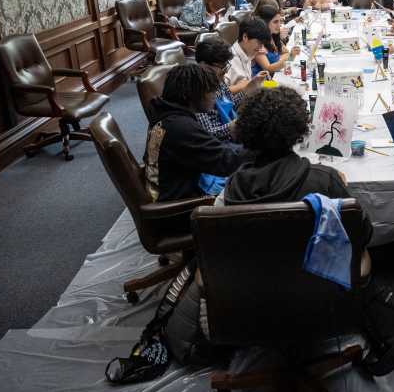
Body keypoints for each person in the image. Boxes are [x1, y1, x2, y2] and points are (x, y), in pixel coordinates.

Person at [216, 86, 373, 244]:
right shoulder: (325, 179)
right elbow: (361, 232)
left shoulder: (231, 189)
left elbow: (219, 241)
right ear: (300, 128)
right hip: (313, 259)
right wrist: (334, 182)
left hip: (252, 259)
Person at [144, 64, 249, 202]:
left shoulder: (166, 115)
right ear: (190, 95)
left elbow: (215, 150)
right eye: (211, 92)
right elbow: (227, 162)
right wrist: (262, 147)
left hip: (173, 190)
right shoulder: (181, 128)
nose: (214, 97)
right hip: (178, 206)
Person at [194, 38, 248, 142]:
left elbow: (230, 104)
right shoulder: (197, 90)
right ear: (204, 65)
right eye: (222, 67)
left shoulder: (219, 80)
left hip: (231, 134)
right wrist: (236, 125)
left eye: (226, 65)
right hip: (220, 144)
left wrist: (248, 90)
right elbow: (208, 134)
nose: (225, 72)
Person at [225, 16, 271, 94]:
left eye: (263, 44)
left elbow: (250, 83)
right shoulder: (229, 60)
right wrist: (248, 84)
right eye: (259, 43)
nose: (261, 47)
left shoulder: (247, 52)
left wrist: (274, 84)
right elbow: (220, 95)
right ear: (245, 37)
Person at [252, 4, 299, 75]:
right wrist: (290, 57)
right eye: (275, 22)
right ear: (264, 23)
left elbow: (286, 52)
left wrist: (283, 60)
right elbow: (268, 69)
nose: (279, 25)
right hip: (264, 80)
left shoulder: (273, 35)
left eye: (280, 21)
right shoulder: (257, 42)